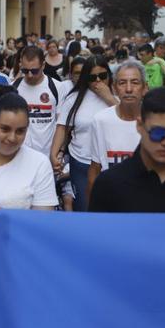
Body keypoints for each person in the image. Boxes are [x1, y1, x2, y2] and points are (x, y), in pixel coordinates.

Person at [0, 93, 59, 211]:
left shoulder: (39, 163)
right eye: (5, 129)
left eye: (20, 131)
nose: (12, 138)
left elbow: (42, 219)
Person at [50, 55, 119, 211]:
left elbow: (128, 120)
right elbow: (62, 127)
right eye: (92, 77)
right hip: (81, 162)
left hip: (111, 163)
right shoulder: (74, 99)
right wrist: (54, 153)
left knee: (111, 208)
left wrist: (108, 97)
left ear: (109, 75)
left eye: (102, 76)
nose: (98, 81)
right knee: (85, 207)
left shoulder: (118, 96)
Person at [87, 60, 147, 200]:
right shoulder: (101, 120)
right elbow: (95, 168)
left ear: (145, 88)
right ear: (114, 88)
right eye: (122, 83)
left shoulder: (157, 121)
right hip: (111, 202)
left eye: (135, 82)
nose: (128, 89)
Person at [11, 46, 62, 157]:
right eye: (25, 70)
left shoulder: (58, 88)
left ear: (43, 65)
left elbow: (62, 126)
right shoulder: (12, 88)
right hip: (18, 156)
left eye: (34, 71)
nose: (29, 75)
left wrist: (60, 152)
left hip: (47, 156)